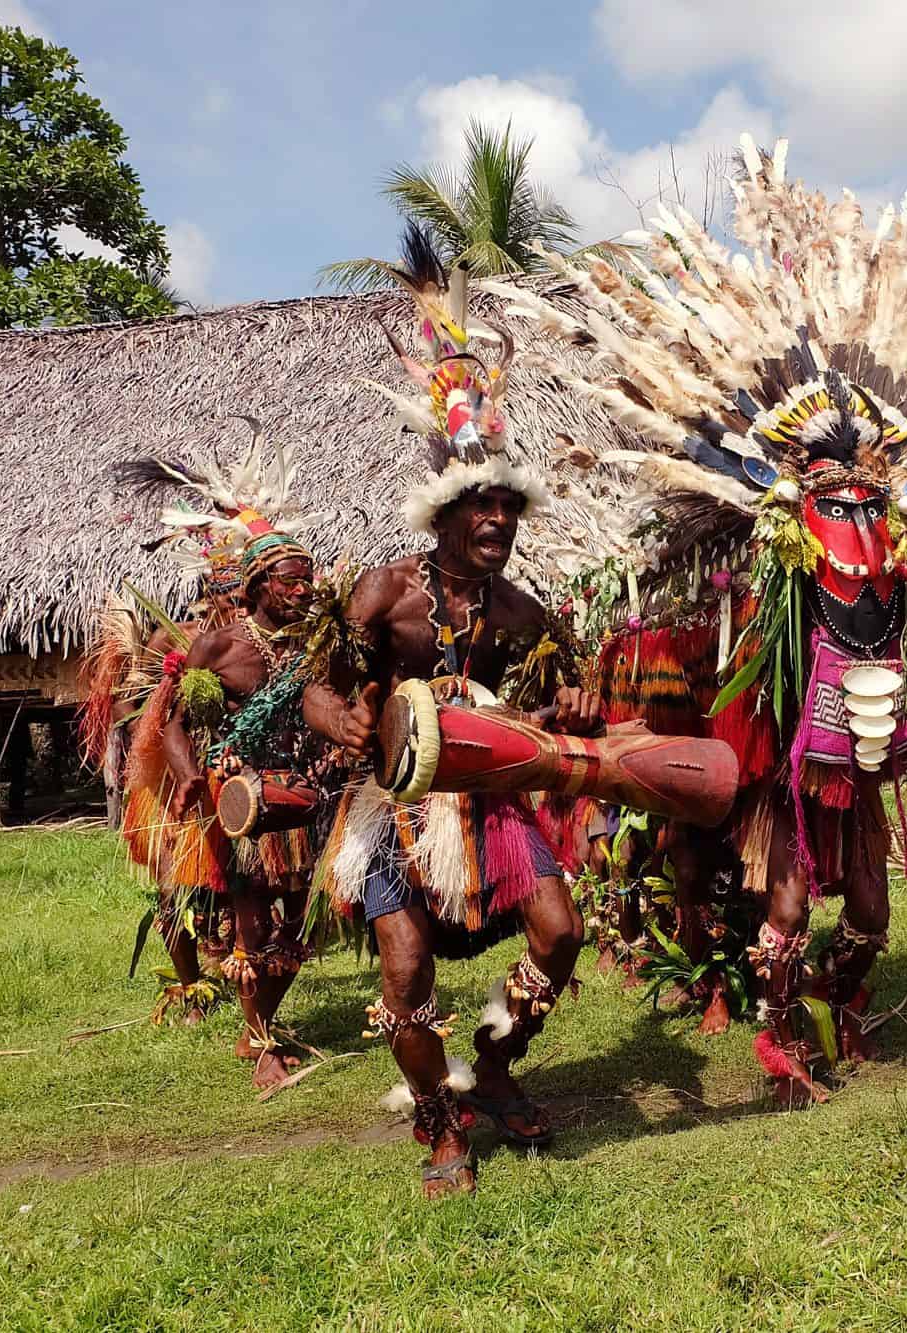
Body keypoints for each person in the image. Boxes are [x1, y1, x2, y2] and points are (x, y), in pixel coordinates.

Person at [504, 135, 907, 1106]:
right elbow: (744, 663)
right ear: (797, 502)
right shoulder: (780, 569)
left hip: (860, 767)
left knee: (872, 923)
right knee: (791, 913)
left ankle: (838, 1001)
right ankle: (783, 1047)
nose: (853, 520)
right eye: (834, 505)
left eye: (867, 504)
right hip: (790, 774)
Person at [305, 234, 600, 1196]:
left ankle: (497, 1067)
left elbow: (565, 695)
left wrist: (572, 703)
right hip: (392, 809)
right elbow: (313, 685)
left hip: (490, 798)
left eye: (508, 508)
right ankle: (440, 1125)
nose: (497, 522)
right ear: (440, 514)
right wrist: (343, 721)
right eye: (479, 506)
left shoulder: (523, 614)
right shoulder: (383, 595)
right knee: (403, 971)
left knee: (561, 932)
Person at [159, 482, 327, 1091]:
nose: (302, 590)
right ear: (258, 585)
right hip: (240, 801)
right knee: (252, 924)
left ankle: (260, 1020)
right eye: (289, 580)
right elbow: (175, 724)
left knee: (305, 923)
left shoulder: (315, 646)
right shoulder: (219, 646)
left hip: (305, 797)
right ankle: (262, 1049)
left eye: (306, 578)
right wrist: (187, 780)